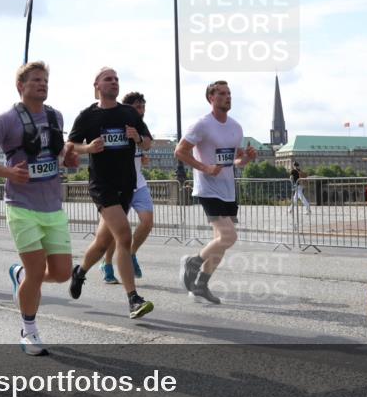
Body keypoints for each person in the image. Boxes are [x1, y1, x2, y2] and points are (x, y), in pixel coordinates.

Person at [0, 61, 78, 355]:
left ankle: (19, 276)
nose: (42, 84)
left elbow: (59, 151)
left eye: (45, 80)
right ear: (21, 86)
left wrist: (69, 158)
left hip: (53, 206)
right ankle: (29, 330)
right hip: (21, 206)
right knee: (36, 270)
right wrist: (8, 173)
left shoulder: (56, 116)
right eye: (35, 80)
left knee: (62, 272)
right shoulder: (6, 120)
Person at [66, 68, 154, 319]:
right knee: (124, 236)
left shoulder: (128, 112)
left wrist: (138, 137)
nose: (114, 82)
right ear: (97, 85)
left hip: (126, 185)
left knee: (103, 241)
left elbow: (148, 141)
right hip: (102, 186)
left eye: (116, 79)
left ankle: (80, 272)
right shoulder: (88, 115)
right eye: (108, 79)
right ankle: (133, 299)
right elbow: (69, 147)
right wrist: (88, 148)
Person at [175, 80, 257, 304]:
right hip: (208, 188)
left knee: (220, 242)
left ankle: (201, 284)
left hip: (228, 189)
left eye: (229, 93)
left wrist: (247, 158)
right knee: (228, 237)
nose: (227, 97)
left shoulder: (235, 127)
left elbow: (235, 160)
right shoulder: (201, 124)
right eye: (221, 93)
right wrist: (205, 168)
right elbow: (180, 152)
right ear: (211, 98)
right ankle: (192, 262)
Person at [100, 91, 155, 284]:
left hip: (138, 183)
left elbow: (147, 144)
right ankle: (107, 265)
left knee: (147, 222)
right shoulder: (116, 123)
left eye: (143, 106)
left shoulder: (141, 126)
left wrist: (141, 149)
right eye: (137, 107)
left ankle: (131, 253)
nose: (141, 110)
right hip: (116, 186)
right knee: (111, 233)